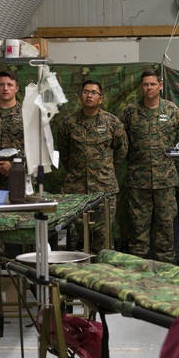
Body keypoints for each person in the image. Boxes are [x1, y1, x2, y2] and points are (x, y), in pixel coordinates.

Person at [120, 68, 179, 263]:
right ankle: (138, 273)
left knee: (166, 229)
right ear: (141, 86)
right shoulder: (131, 112)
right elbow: (123, 143)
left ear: (160, 86)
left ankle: (166, 270)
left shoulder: (172, 111)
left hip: (165, 181)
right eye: (146, 84)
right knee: (138, 231)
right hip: (138, 181)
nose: (149, 88)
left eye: (153, 84)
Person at [56, 80, 127, 248]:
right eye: (86, 92)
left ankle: (102, 270)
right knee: (68, 234)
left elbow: (121, 150)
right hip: (75, 188)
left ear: (100, 98)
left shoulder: (112, 123)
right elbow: (64, 152)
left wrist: (105, 169)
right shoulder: (69, 124)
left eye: (94, 93)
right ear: (80, 96)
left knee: (103, 236)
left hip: (104, 188)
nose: (89, 95)